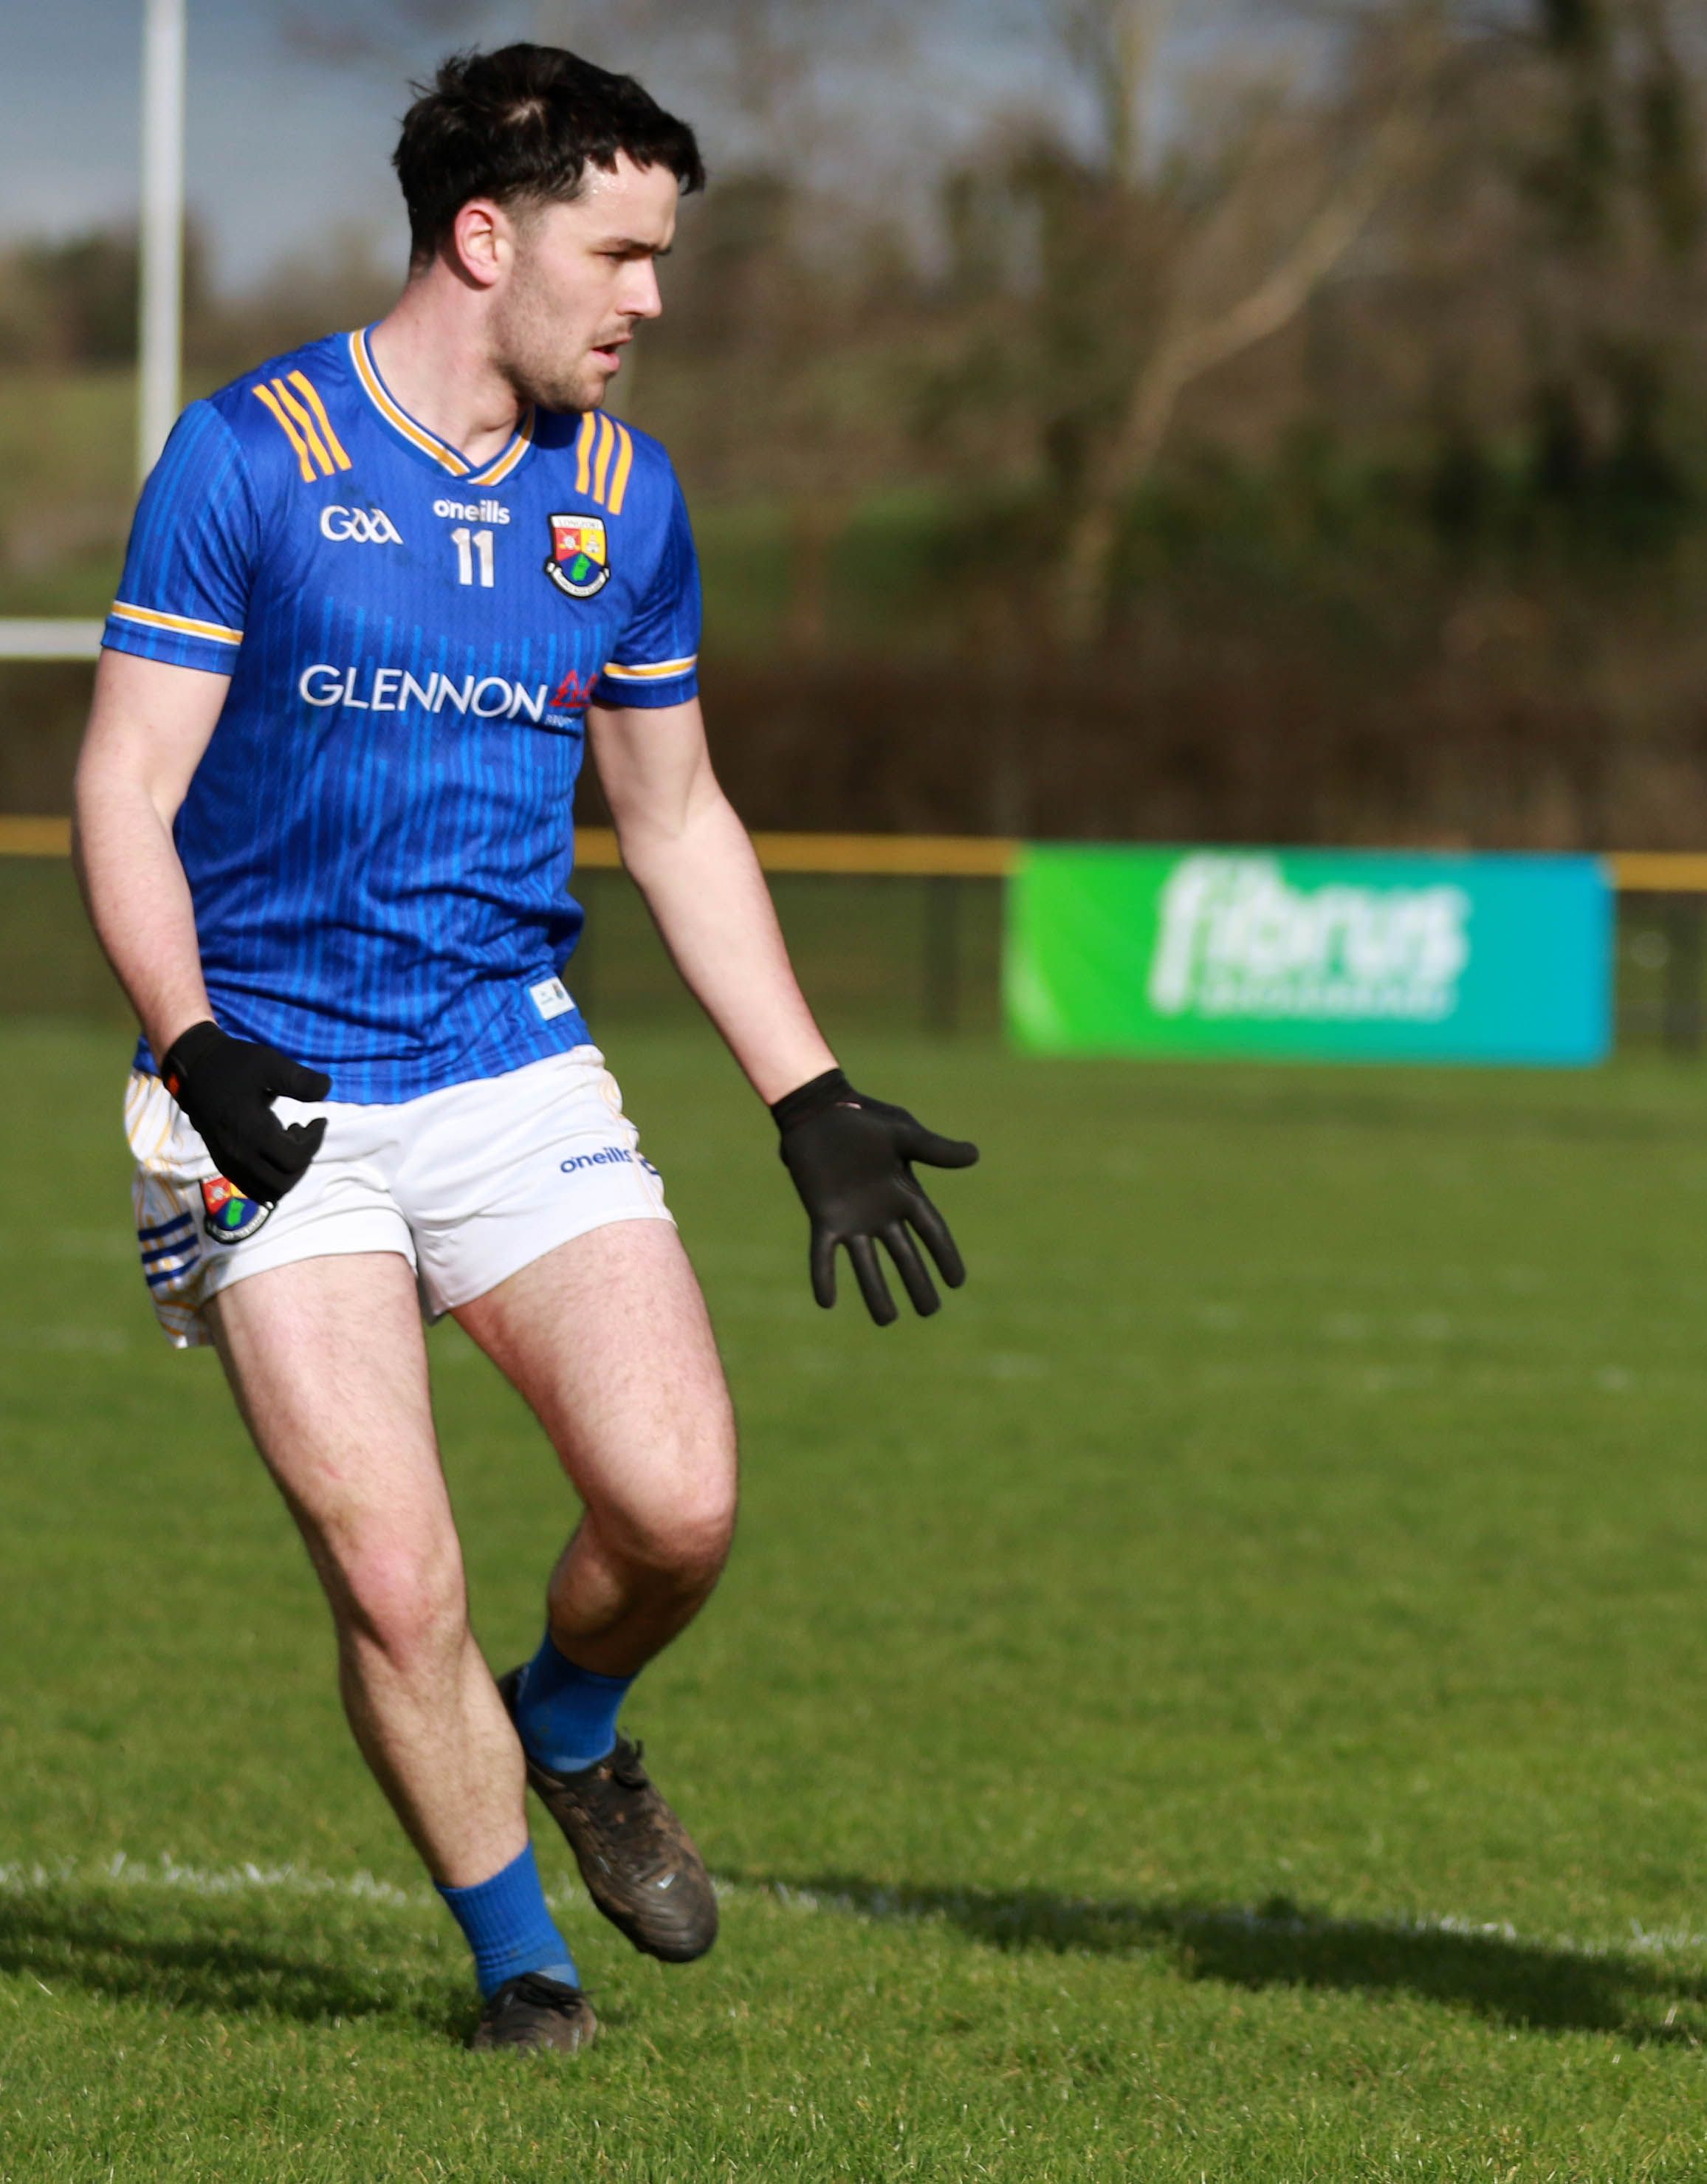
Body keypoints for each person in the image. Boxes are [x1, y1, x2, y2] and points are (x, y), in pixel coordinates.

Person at [72, 45, 977, 2055]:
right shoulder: (249, 456)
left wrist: (807, 1093)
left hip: (508, 1061)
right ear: (486, 237)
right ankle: (521, 1970)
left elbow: (675, 817)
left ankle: (571, 1722)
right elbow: (124, 786)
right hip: (271, 1097)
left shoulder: (624, 497)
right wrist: (189, 1038)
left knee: (679, 1508)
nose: (652, 298)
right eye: (623, 253)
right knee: (396, 1569)